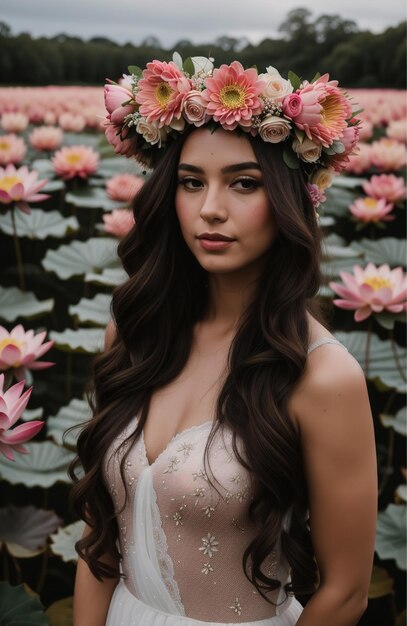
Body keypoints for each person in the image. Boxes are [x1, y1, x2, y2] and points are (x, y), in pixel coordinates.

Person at [70, 56, 377, 626]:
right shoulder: (133, 335)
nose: (210, 209)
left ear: (288, 199)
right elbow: (101, 541)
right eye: (191, 183)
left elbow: (345, 592)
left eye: (243, 183)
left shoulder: (323, 377)